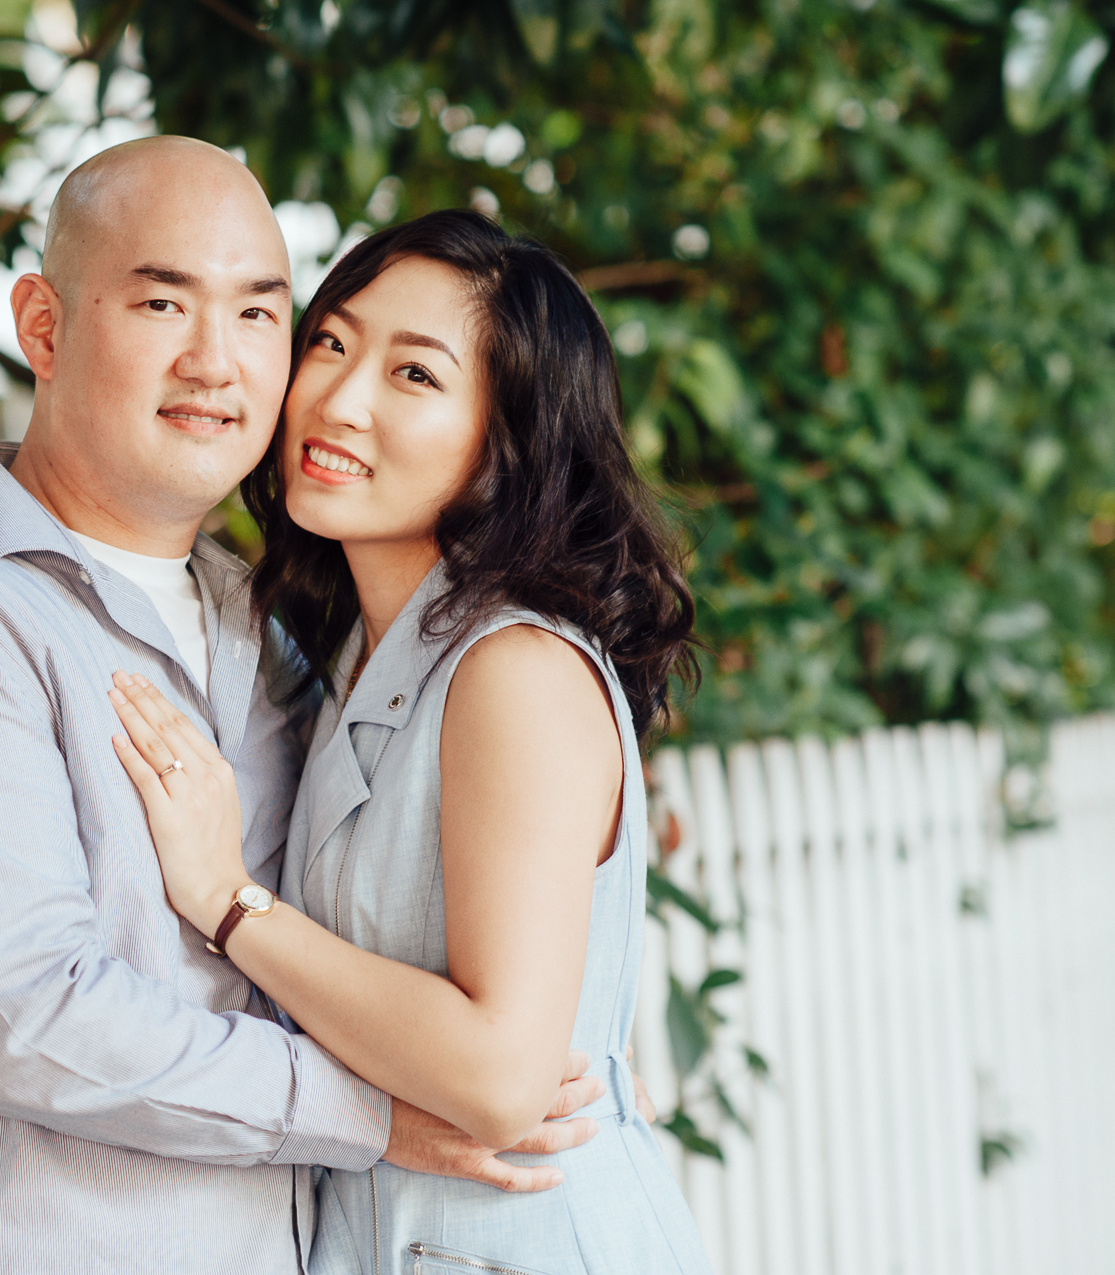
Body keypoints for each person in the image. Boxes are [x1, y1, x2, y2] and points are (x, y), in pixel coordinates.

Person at [0, 139, 610, 1275]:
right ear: (42, 327)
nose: (217, 363)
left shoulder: (274, 638)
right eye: (161, 303)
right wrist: (376, 1114)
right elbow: (23, 1017)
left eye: (259, 315)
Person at [103, 210, 714, 1275]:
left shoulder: (514, 670)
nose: (338, 399)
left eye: (416, 376)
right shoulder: (346, 657)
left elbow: (500, 1077)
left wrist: (230, 903)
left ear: (507, 439)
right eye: (332, 343)